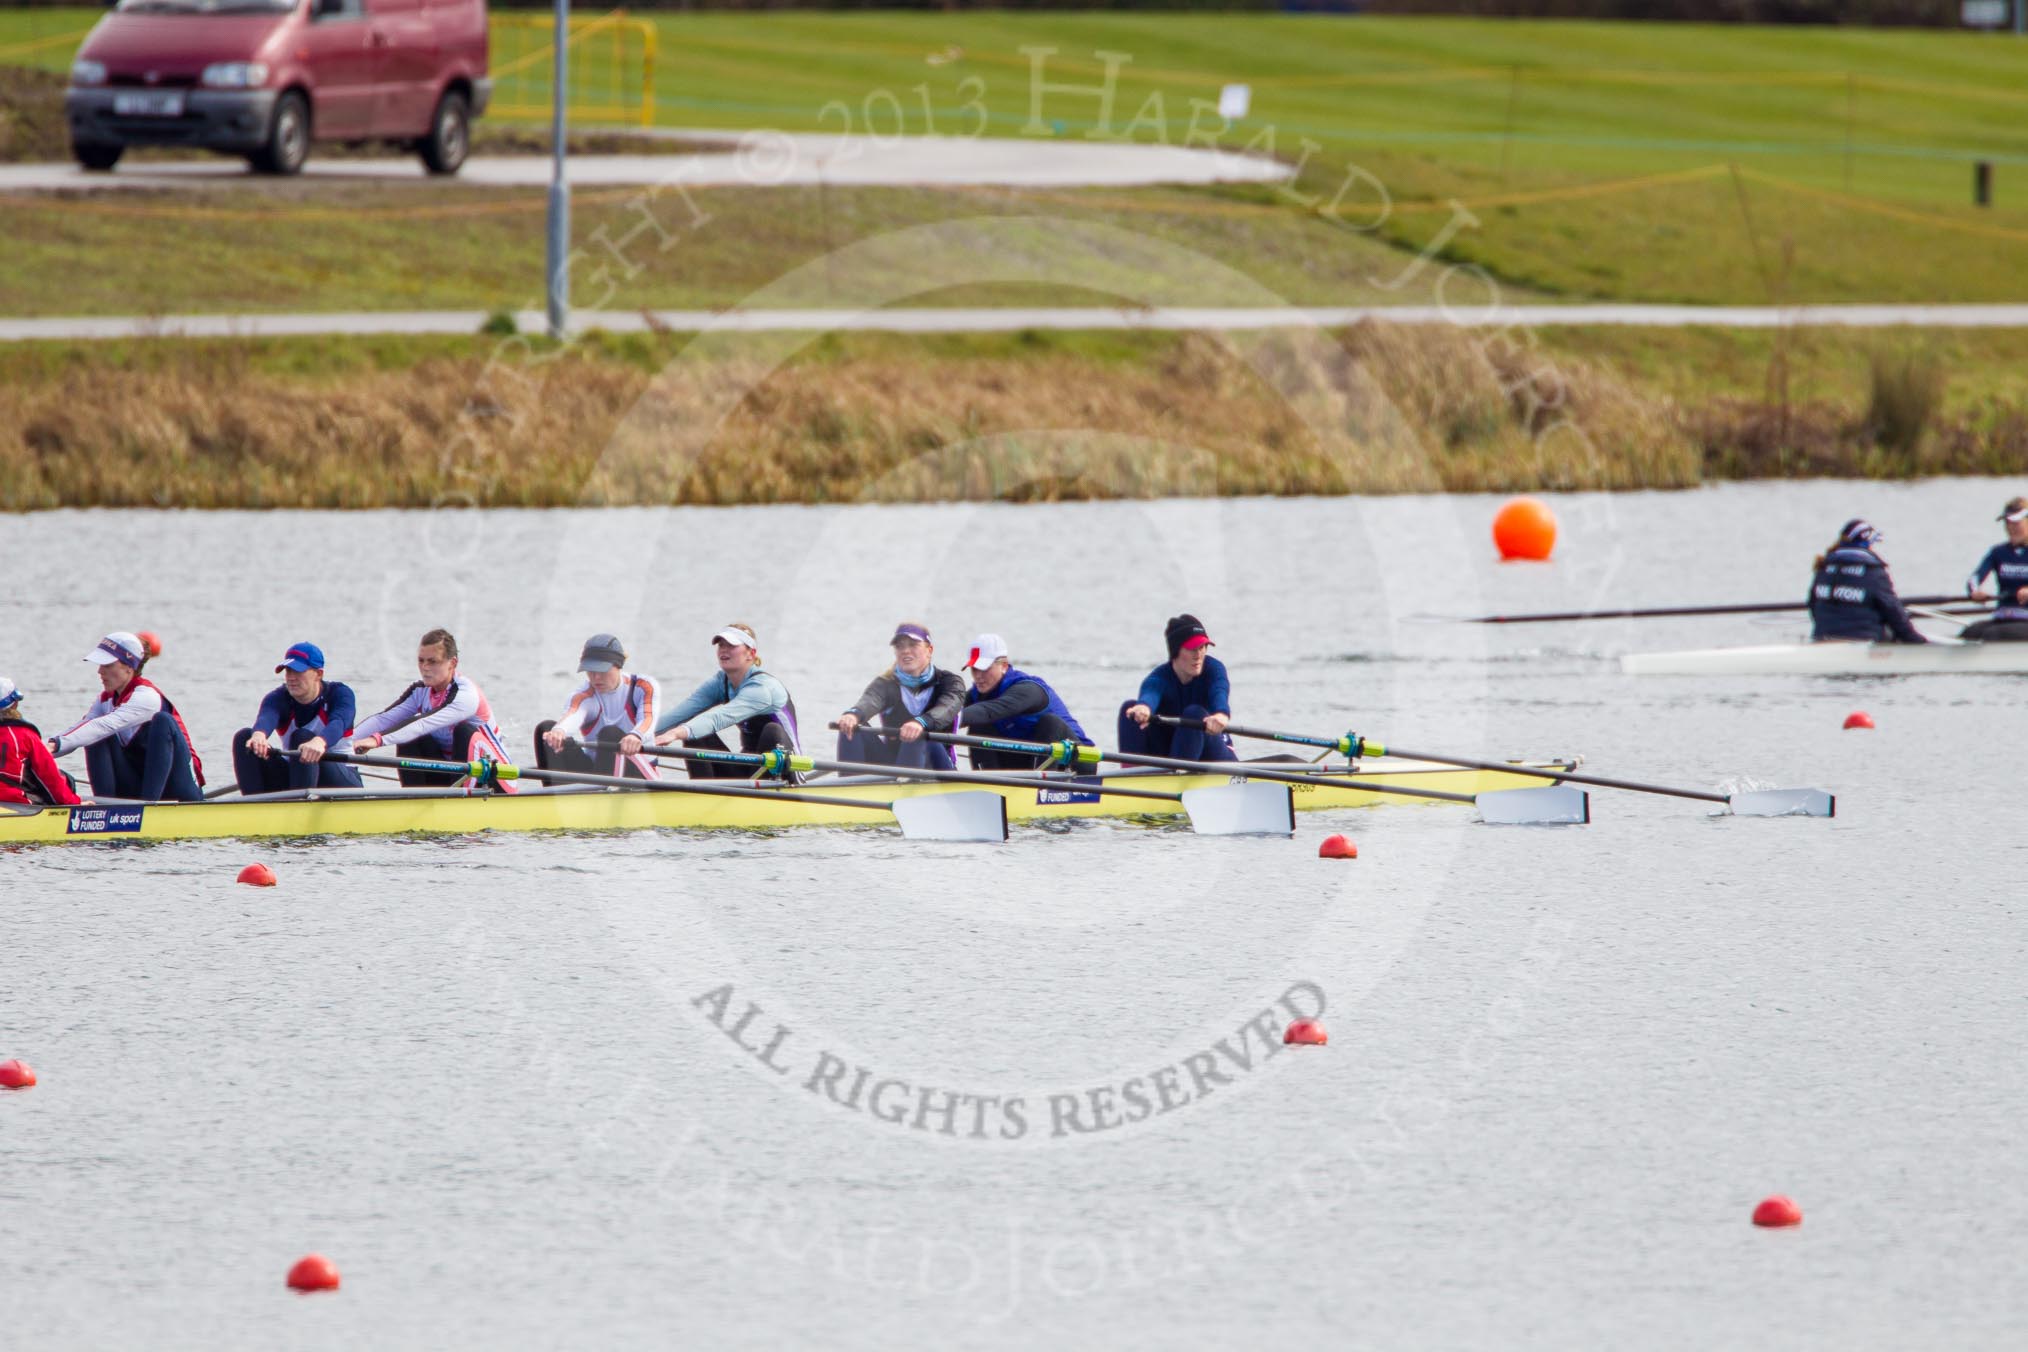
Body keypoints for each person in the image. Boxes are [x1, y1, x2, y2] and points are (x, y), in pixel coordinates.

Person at [49, 631, 205, 802]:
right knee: (91, 733)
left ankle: (147, 808)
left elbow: (103, 726)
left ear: (129, 667)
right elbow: (80, 731)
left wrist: (52, 747)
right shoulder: (105, 700)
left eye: (107, 665)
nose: (100, 671)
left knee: (163, 721)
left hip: (181, 788)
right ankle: (103, 809)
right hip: (138, 784)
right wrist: (36, 754)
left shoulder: (147, 697)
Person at [351, 628, 516, 790]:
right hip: (454, 773)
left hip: (497, 779)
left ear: (453, 663)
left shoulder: (466, 695)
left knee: (462, 730)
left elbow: (423, 723)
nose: (425, 667)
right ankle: (414, 799)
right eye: (421, 661)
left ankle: (461, 802)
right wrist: (342, 743)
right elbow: (384, 719)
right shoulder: (420, 691)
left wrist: (376, 740)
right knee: (410, 738)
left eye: (432, 661)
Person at [654, 623, 801, 780]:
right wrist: (635, 734)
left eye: (731, 645)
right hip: (749, 771)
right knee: (696, 733)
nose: (724, 649)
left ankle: (771, 789)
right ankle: (702, 795)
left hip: (785, 772)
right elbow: (678, 715)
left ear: (751, 654)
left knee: (772, 730)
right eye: (721, 645)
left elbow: (717, 718)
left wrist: (674, 734)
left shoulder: (763, 688)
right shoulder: (721, 682)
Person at [232, 641, 364, 795]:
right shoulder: (278, 697)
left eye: (298, 671)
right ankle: (252, 808)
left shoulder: (340, 694)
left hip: (341, 778)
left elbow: (339, 723)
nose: (291, 678)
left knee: (302, 737)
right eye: (288, 671)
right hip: (296, 774)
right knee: (244, 737)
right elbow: (266, 717)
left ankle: (299, 806)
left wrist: (320, 742)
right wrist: (258, 736)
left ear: (319, 674)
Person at [835, 622, 966, 772]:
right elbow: (871, 700)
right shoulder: (886, 684)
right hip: (895, 767)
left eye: (913, 644)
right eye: (900, 646)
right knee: (852, 728)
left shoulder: (950, 683)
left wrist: (921, 722)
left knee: (918, 734)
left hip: (938, 768)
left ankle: (903, 789)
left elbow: (946, 708)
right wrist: (854, 714)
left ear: (929, 650)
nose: (905, 651)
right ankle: (851, 788)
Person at [957, 633, 1092, 772]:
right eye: (974, 669)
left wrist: (950, 718)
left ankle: (1041, 788)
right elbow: (951, 713)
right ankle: (988, 787)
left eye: (984, 668)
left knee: (1050, 722)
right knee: (978, 725)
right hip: (1031, 760)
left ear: (1003, 665)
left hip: (1079, 761)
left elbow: (989, 711)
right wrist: (936, 720)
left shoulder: (1027, 689)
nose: (978, 676)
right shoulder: (977, 695)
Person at [536, 633, 661, 778]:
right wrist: (559, 731)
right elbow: (574, 713)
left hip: (640, 773)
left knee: (610, 734)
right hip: (598, 771)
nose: (595, 678)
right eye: (590, 671)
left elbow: (647, 719)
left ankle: (601, 793)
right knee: (546, 730)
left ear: (618, 665)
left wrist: (636, 735)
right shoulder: (584, 695)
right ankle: (554, 795)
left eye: (602, 670)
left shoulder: (643, 686)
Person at [1118, 613, 1237, 763]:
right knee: (1129, 709)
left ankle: (1177, 775)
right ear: (1175, 651)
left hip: (1215, 754)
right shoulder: (1160, 677)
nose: (1199, 655)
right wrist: (1143, 708)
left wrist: (1221, 714)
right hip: (1172, 753)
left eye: (1203, 647)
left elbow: (1219, 691)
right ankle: (1132, 775)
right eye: (1192, 648)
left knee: (1194, 713)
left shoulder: (1214, 669)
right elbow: (1151, 693)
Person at [1808, 520, 1927, 645]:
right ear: (1866, 543)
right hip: (1863, 643)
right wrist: (1916, 641)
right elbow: (1893, 612)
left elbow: (1813, 605)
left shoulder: (1824, 568)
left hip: (1821, 638)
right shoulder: (1873, 572)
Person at [0, 678, 82, 807]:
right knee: (67, 780)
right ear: (15, 704)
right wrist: (75, 803)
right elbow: (51, 778)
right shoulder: (25, 736)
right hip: (14, 801)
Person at [1962, 495, 2028, 642]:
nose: (2011, 528)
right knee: (1970, 632)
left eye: (2016, 523)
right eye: (2008, 523)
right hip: (2004, 617)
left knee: (1993, 635)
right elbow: (1974, 579)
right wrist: (1975, 592)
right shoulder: (1998, 552)